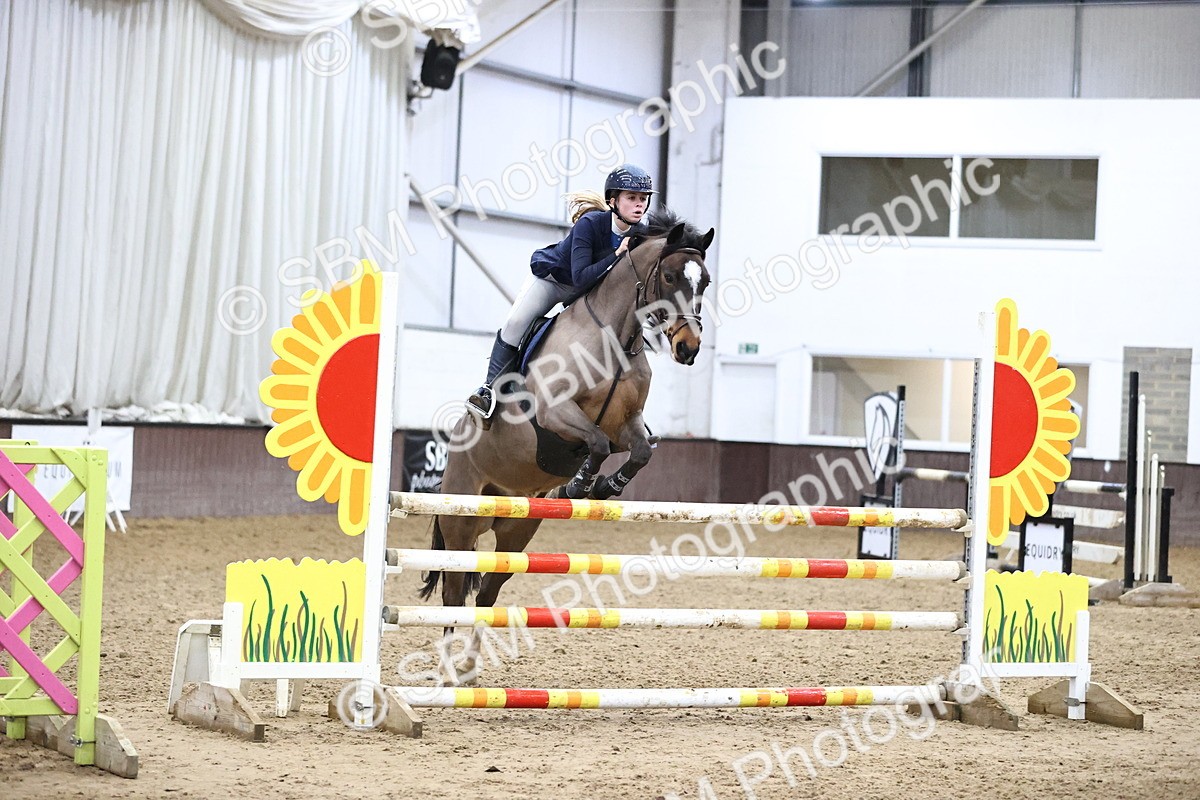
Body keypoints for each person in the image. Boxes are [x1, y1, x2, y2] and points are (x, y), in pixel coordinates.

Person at [465, 163, 656, 425]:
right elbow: (580, 277)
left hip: (590, 292)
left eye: (643, 199)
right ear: (613, 200)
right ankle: (488, 391)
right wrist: (617, 254)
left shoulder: (641, 235)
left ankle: (623, 407)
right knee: (515, 323)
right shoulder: (591, 224)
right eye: (631, 198)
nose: (639, 205)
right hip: (555, 280)